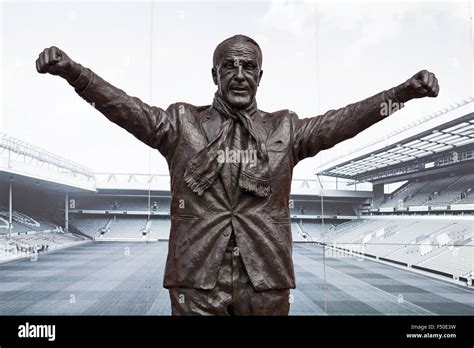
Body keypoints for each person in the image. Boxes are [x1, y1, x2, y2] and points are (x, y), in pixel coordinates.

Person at [36, 34, 439, 315]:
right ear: (214, 75)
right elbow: (123, 107)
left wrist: (400, 96)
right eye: (229, 65)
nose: (240, 74)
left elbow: (345, 121)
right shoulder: (180, 123)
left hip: (265, 282)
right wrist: (75, 73)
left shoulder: (286, 128)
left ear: (261, 76)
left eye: (249, 66)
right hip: (195, 282)